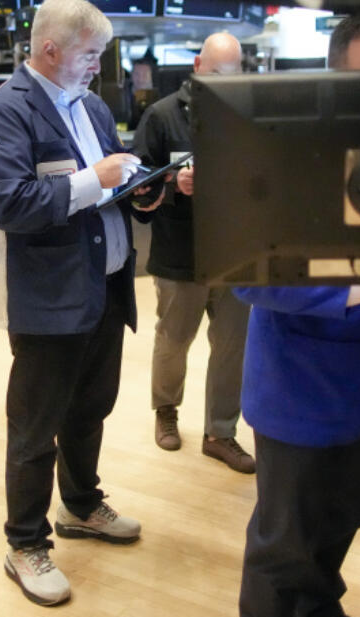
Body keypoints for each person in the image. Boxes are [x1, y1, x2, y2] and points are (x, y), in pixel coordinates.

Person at [0, 0, 161, 607]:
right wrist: (91, 180)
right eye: (90, 54)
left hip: (104, 288)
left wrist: (142, 190)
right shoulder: (3, 112)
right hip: (49, 300)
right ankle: (25, 542)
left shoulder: (93, 107)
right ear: (49, 49)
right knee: (35, 429)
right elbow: (12, 204)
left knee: (90, 410)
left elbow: (109, 188)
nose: (98, 66)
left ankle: (80, 504)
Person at [236, 17, 360, 617]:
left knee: (325, 554)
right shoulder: (284, 154)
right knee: (283, 562)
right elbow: (247, 273)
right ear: (334, 78)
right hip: (302, 398)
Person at [133, 31, 254, 473]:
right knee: (173, 340)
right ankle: (165, 411)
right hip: (179, 252)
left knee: (232, 347)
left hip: (235, 252)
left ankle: (220, 432)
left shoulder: (247, 115)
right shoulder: (162, 115)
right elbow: (136, 183)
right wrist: (172, 185)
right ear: (198, 66)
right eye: (217, 72)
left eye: (233, 75)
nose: (225, 83)